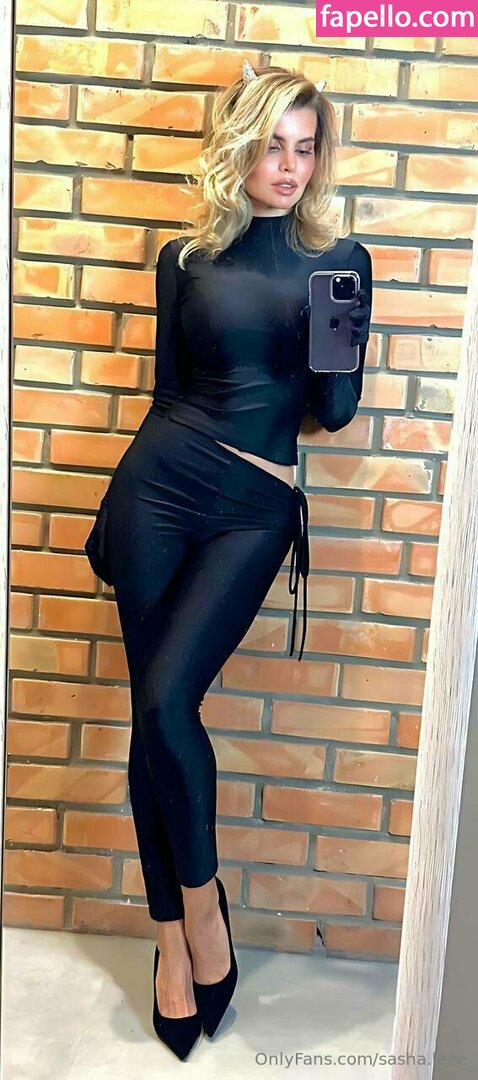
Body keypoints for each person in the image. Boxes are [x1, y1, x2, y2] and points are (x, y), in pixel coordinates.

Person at [88, 60, 372, 1060]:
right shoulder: (186, 257)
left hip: (254, 507)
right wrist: (115, 503)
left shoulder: (338, 263)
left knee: (170, 701)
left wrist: (330, 327)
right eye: (272, 145)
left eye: (305, 148)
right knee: (152, 719)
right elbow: (165, 394)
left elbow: (334, 413)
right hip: (157, 491)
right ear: (241, 149)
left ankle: (201, 908)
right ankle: (175, 939)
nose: (288, 166)